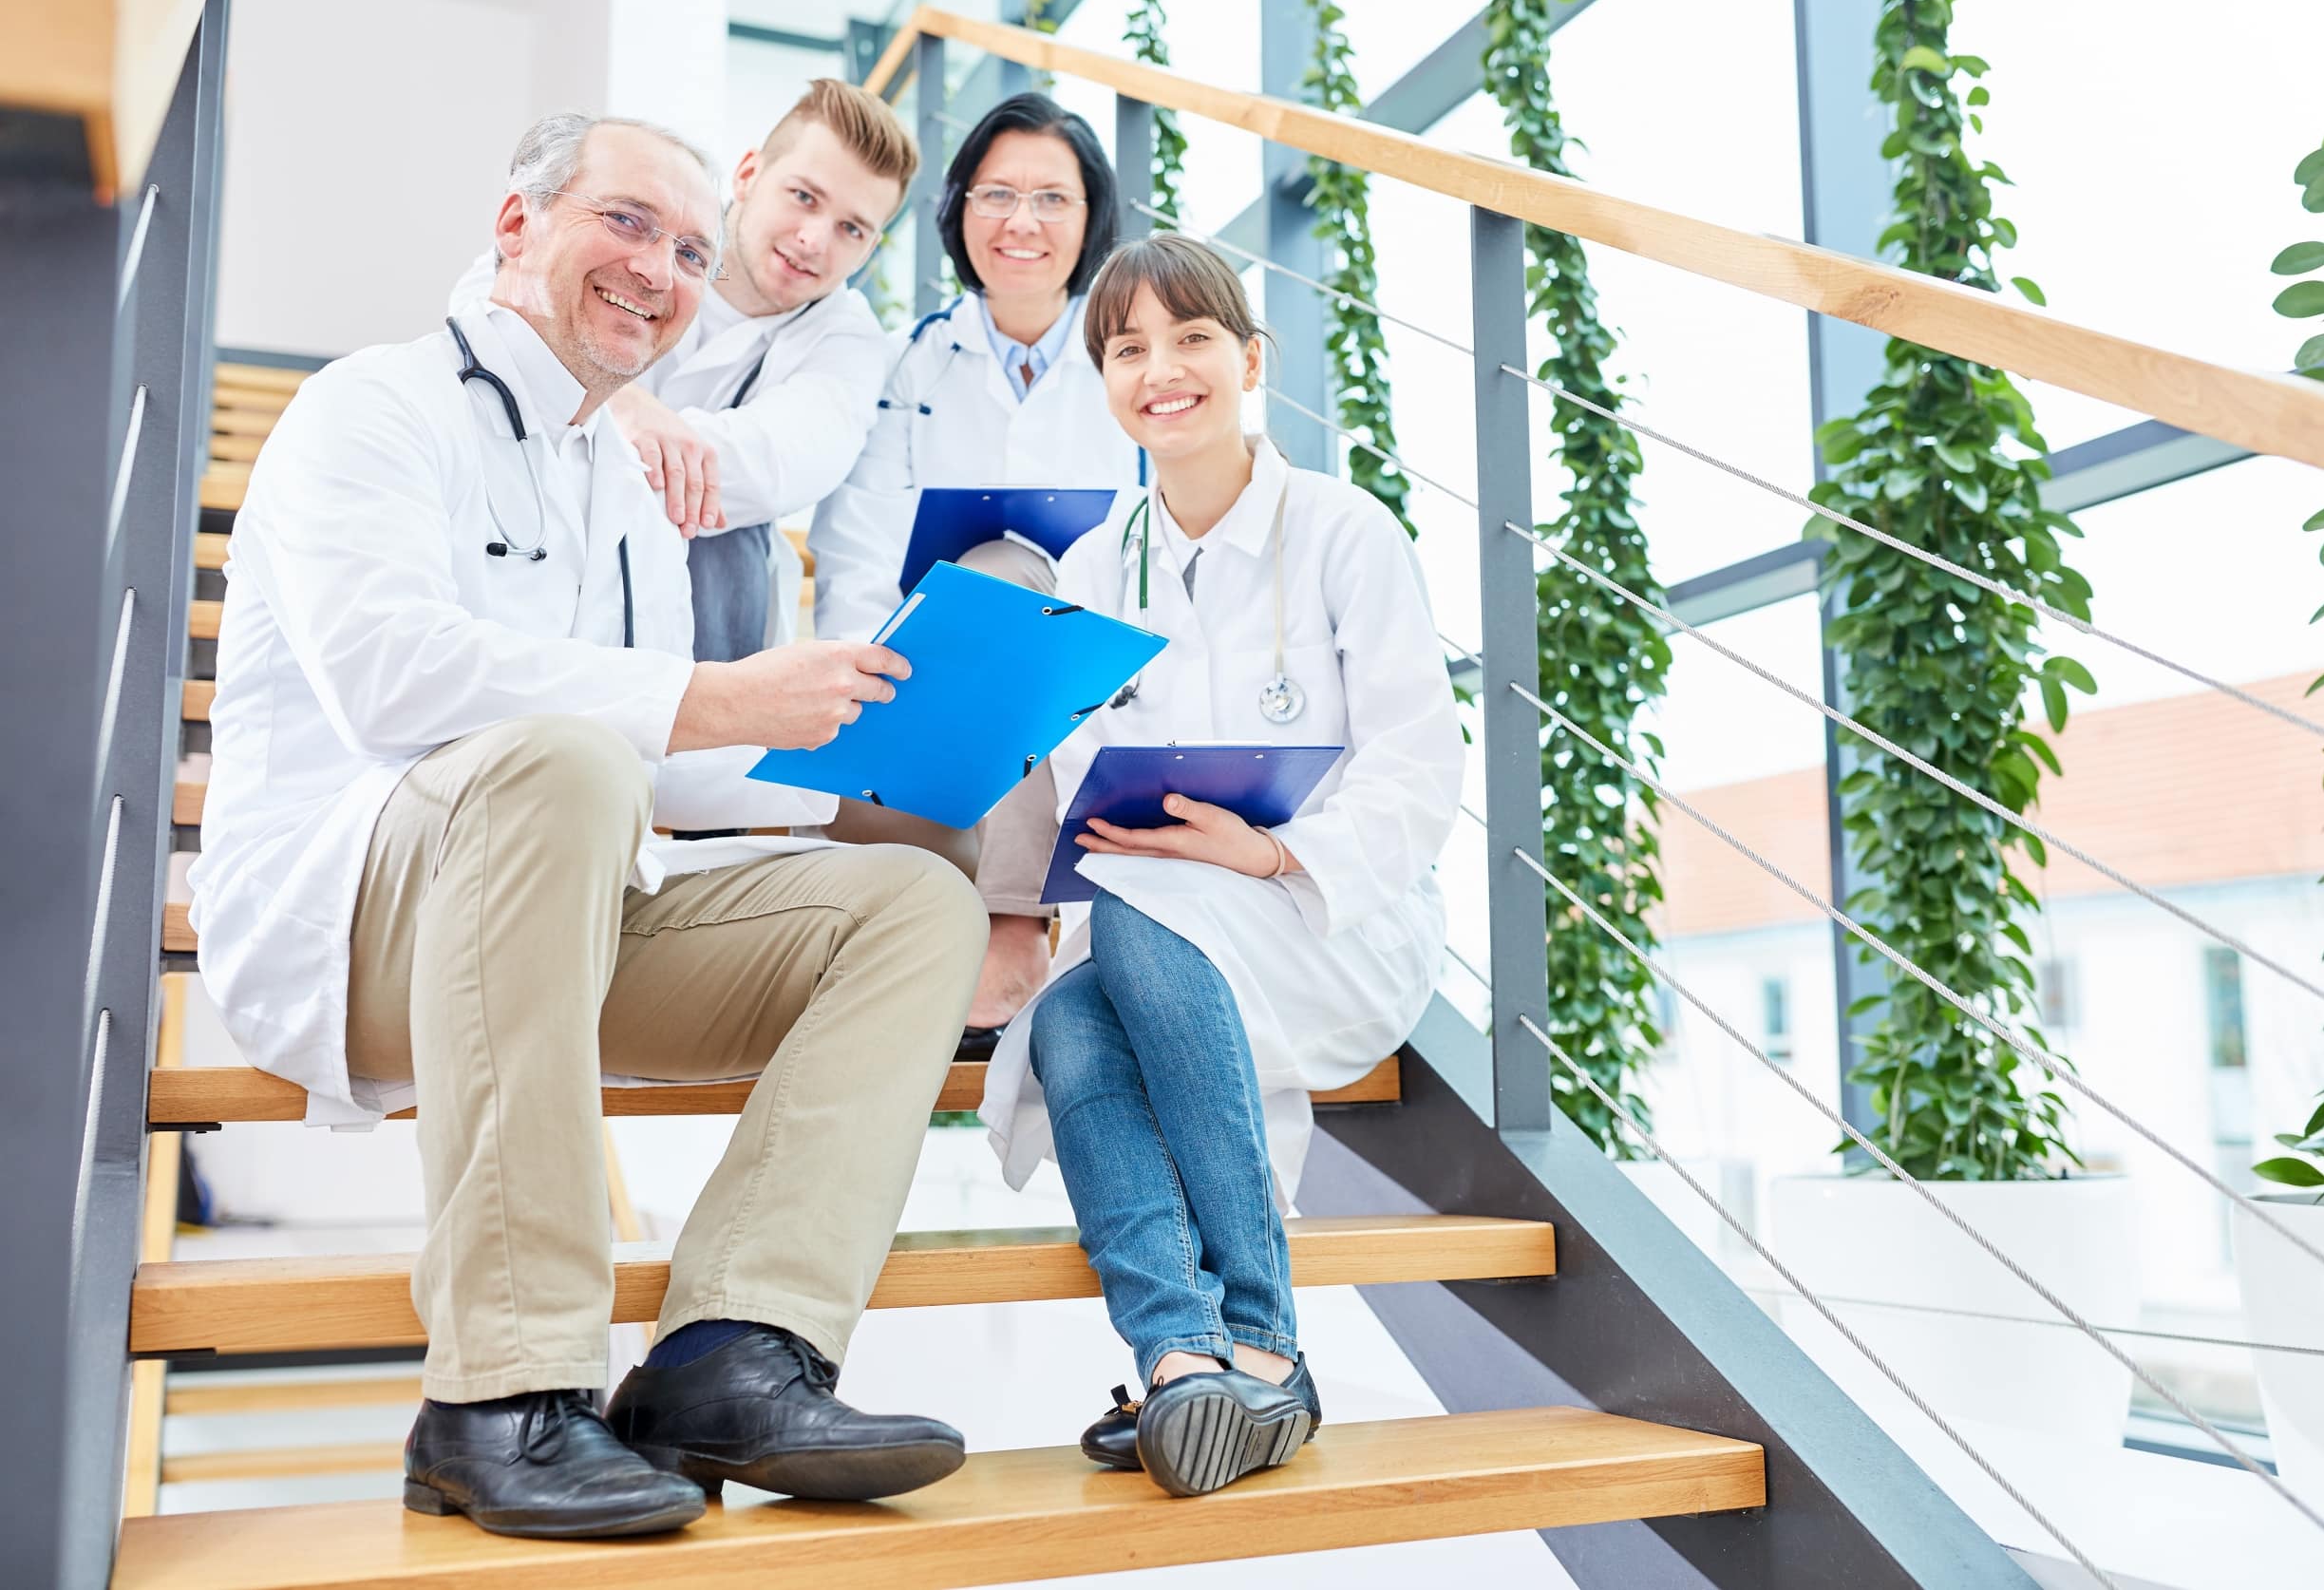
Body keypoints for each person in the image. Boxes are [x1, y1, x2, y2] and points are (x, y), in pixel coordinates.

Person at [190, 112, 987, 1541]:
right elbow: (391, 677)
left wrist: (865, 775)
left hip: (574, 919)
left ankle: (730, 1355)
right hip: (360, 925)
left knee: (910, 901)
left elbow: (673, 773)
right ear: (514, 227)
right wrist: (708, 690)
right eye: (626, 222)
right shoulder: (371, 407)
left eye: (690, 250)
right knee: (559, 761)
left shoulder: (622, 488)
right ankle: (501, 1391)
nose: (664, 270)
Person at [975, 234, 1465, 1497]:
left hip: (1330, 918)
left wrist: (1271, 847)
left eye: (1191, 338)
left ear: (1249, 360)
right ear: (1105, 382)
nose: (1162, 368)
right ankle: (1191, 1356)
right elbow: (1084, 782)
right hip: (1162, 928)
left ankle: (1254, 1330)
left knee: (1133, 938)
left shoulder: (1346, 532)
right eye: (1127, 347)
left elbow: (1420, 764)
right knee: (1071, 1010)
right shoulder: (1092, 574)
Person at [815, 90, 1142, 980]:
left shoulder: (1135, 366)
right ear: (960, 212)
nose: (1021, 221)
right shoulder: (913, 360)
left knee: (1009, 575)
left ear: (1090, 218)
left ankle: (1006, 924)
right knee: (985, 582)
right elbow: (858, 539)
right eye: (996, 194)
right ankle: (994, 926)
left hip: (1085, 677)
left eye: (1051, 198)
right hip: (923, 669)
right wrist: (858, 663)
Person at [449, 80, 914, 667]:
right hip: (534, 520)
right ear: (748, 174)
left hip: (712, 589)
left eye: (853, 229)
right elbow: (489, 305)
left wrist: (595, 407)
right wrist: (621, 405)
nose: (814, 240)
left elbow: (777, 470)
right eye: (803, 196)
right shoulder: (651, 224)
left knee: (714, 522)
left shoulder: (848, 338)